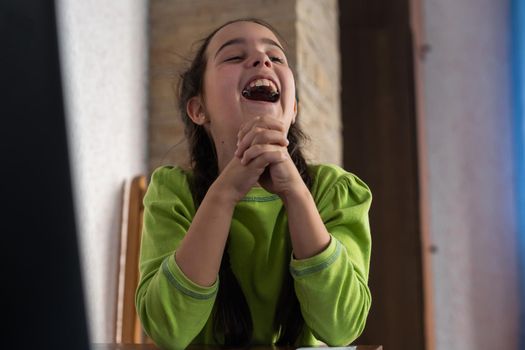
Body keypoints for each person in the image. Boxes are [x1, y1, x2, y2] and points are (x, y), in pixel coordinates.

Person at [135, 18, 372, 350]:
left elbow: (342, 327)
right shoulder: (173, 193)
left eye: (275, 57)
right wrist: (225, 193)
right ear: (199, 109)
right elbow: (167, 330)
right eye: (234, 56)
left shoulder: (334, 190)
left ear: (293, 110)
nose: (262, 61)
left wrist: (296, 194)